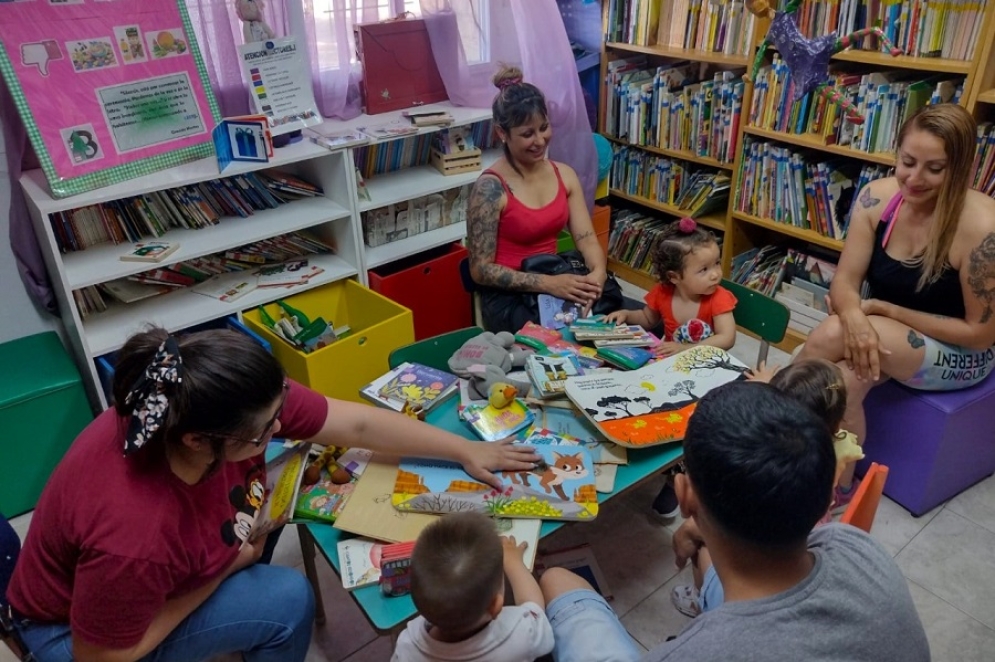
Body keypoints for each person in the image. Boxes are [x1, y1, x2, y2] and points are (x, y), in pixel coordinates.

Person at [7, 328, 539, 662]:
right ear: (199, 441)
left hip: (159, 573)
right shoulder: (134, 532)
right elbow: (103, 655)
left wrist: (462, 451)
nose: (281, 427)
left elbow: (353, 424)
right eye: (267, 431)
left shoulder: (191, 401)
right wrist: (226, 567)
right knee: (287, 600)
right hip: (76, 635)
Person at [540, 381, 930, 661]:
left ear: (685, 494)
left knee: (558, 582)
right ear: (825, 498)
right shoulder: (856, 546)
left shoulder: (691, 653)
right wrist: (698, 529)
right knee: (708, 553)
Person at [796, 103, 995, 511]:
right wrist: (854, 316)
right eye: (907, 161)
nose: (914, 178)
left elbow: (983, 333)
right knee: (842, 383)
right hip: (880, 329)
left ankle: (766, 436)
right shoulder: (876, 198)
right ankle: (837, 487)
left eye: (934, 169)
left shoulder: (983, 228)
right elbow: (846, 283)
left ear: (959, 169)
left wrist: (886, 313)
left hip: (962, 351)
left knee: (826, 341)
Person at [670, 359, 860, 617]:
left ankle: (700, 598)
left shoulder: (760, 478)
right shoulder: (826, 453)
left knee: (705, 541)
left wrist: (692, 529)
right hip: (806, 536)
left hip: (766, 554)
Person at [605, 217, 737, 519]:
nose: (716, 274)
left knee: (691, 423)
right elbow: (648, 319)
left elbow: (727, 338)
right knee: (638, 400)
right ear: (674, 277)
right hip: (671, 370)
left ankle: (678, 479)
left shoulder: (718, 298)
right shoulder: (664, 293)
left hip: (709, 374)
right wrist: (626, 314)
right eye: (704, 270)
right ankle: (653, 455)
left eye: (716, 264)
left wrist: (684, 349)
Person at [466, 65, 614, 334]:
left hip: (555, 276)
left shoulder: (564, 175)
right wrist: (548, 284)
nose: (539, 140)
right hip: (511, 296)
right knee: (559, 337)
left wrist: (597, 273)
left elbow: (586, 239)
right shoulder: (490, 189)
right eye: (527, 134)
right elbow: (480, 270)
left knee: (615, 317)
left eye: (544, 128)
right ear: (502, 134)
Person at [392, 512, 554, 661]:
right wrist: (513, 563)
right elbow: (535, 609)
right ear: (496, 606)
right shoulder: (521, 633)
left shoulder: (407, 647)